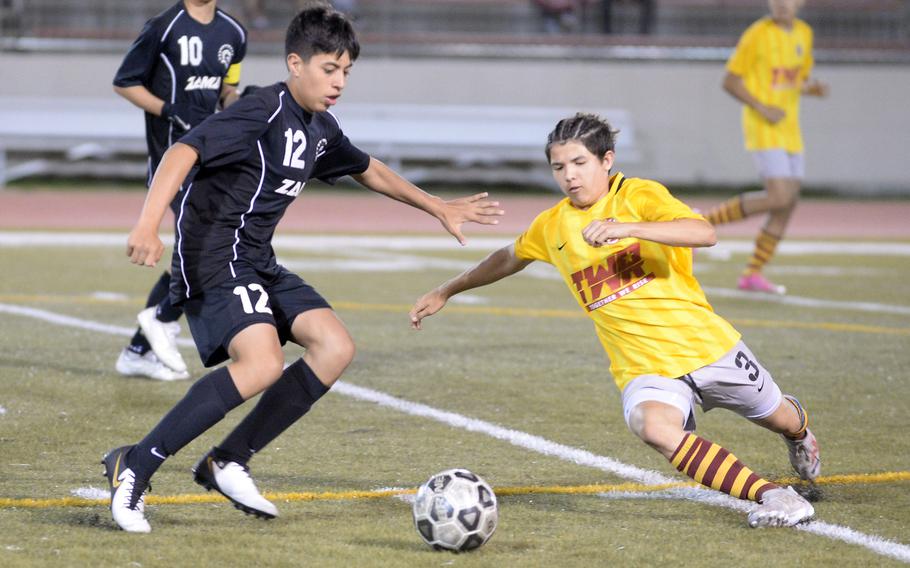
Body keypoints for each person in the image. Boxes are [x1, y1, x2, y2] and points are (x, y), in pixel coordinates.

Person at [101, 5, 503, 533]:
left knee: (335, 346)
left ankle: (229, 460)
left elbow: (368, 168)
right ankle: (137, 464)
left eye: (346, 72)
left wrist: (439, 206)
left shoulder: (319, 126)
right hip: (212, 256)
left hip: (255, 259)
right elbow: (182, 151)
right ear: (296, 63)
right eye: (328, 69)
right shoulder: (262, 109)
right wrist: (147, 225)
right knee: (261, 363)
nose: (338, 82)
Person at [409, 113, 820, 528]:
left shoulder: (640, 195)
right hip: (643, 366)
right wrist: (447, 289)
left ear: (607, 160)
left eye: (579, 163)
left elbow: (704, 233)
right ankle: (773, 496)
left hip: (706, 347)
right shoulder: (553, 225)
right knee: (653, 427)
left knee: (780, 416)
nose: (569, 176)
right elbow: (508, 258)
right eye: (559, 167)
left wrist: (625, 228)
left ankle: (799, 434)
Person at [113, 0, 248, 382]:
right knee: (204, 246)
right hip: (171, 159)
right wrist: (168, 109)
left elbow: (229, 88)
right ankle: (160, 321)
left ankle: (142, 344)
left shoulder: (235, 33)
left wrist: (240, 105)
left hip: (210, 155)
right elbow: (125, 82)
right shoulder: (163, 27)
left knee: (199, 247)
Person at [704, 0, 828, 294]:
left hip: (790, 129)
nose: (781, 5)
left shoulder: (804, 34)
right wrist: (762, 108)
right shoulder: (757, 33)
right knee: (779, 196)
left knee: (788, 202)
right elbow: (730, 81)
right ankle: (701, 222)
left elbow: (796, 80)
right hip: (763, 126)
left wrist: (812, 89)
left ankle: (752, 274)